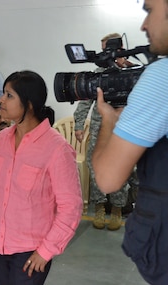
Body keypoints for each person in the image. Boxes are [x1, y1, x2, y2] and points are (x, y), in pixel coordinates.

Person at [0, 70, 83, 285]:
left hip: (30, 251)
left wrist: (46, 251)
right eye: (3, 93)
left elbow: (71, 207)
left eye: (9, 95)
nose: (1, 100)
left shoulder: (56, 149)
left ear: (29, 104)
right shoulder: (2, 140)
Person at [92, 0, 168, 283]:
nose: (144, 25)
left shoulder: (161, 76)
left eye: (149, 10)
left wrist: (109, 122)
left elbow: (108, 179)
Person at [74, 32, 137, 231]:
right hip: (99, 128)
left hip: (124, 129)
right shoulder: (98, 73)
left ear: (119, 50)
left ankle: (117, 209)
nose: (104, 55)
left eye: (107, 50)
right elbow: (85, 101)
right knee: (96, 168)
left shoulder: (133, 72)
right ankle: (100, 206)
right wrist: (78, 124)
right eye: (103, 50)